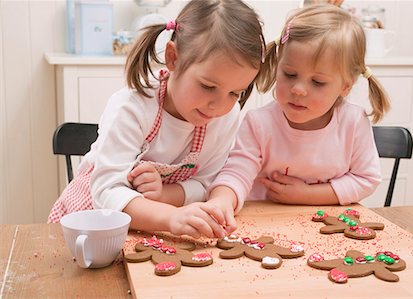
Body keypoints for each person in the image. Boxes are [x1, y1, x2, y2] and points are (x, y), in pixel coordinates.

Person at [48, 0, 266, 239]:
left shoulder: (225, 117)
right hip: (91, 230)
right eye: (208, 86)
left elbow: (205, 184)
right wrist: (170, 217)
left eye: (235, 93)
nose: (219, 105)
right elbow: (107, 193)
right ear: (173, 58)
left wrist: (165, 195)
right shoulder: (132, 108)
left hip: (149, 236)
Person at [207, 4, 390, 226]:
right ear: (277, 65)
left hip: (327, 228)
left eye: (318, 82)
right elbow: (237, 172)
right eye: (290, 74)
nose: (298, 89)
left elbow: (366, 179)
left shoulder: (353, 122)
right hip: (265, 225)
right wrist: (221, 202)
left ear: (345, 87)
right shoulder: (259, 123)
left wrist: (308, 195)